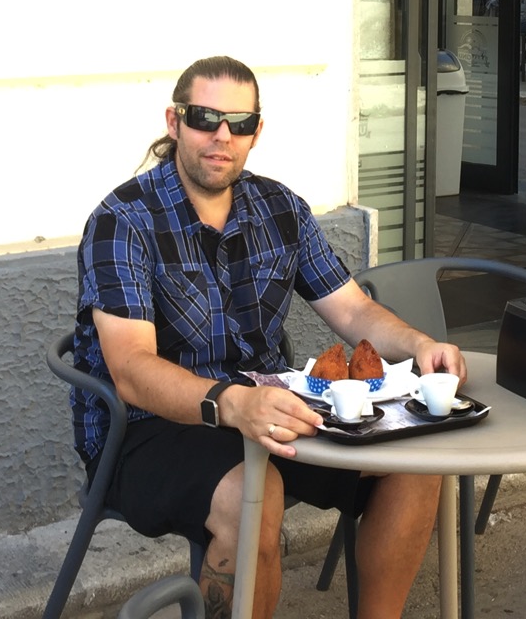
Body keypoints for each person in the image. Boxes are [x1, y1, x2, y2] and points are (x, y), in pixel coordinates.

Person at [73, 55, 466, 619]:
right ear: (174, 121)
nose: (221, 136)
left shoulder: (281, 209)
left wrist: (420, 345)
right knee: (255, 496)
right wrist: (233, 404)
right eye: (205, 118)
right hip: (145, 431)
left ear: (258, 130)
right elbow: (132, 369)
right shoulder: (123, 219)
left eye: (240, 123)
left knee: (412, 459)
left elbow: (353, 311)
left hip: (267, 405)